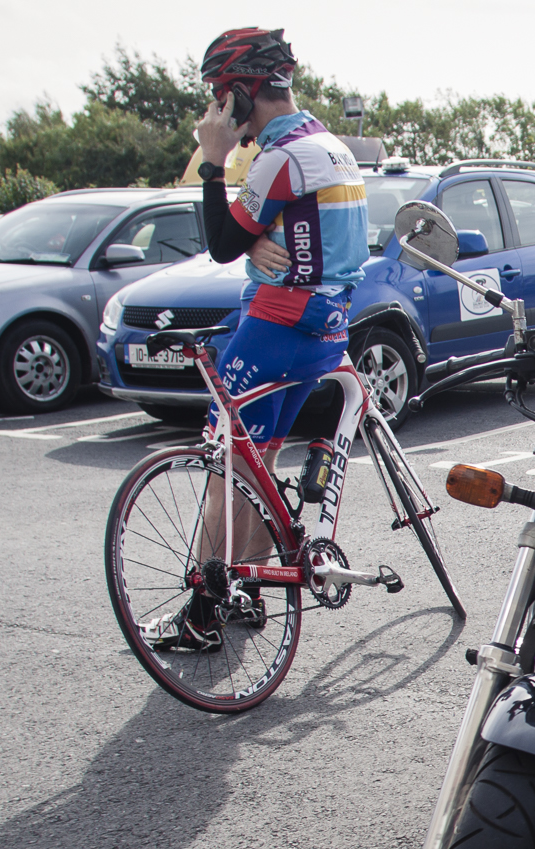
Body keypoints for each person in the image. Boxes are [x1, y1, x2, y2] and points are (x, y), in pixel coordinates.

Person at [144, 26, 369, 652]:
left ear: (242, 92)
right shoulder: (329, 146)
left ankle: (201, 612)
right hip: (322, 328)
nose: (216, 110)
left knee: (226, 466)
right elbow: (271, 241)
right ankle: (249, 593)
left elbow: (221, 242)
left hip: (274, 326)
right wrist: (256, 247)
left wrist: (213, 158)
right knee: (261, 465)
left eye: (220, 95)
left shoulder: (279, 158)